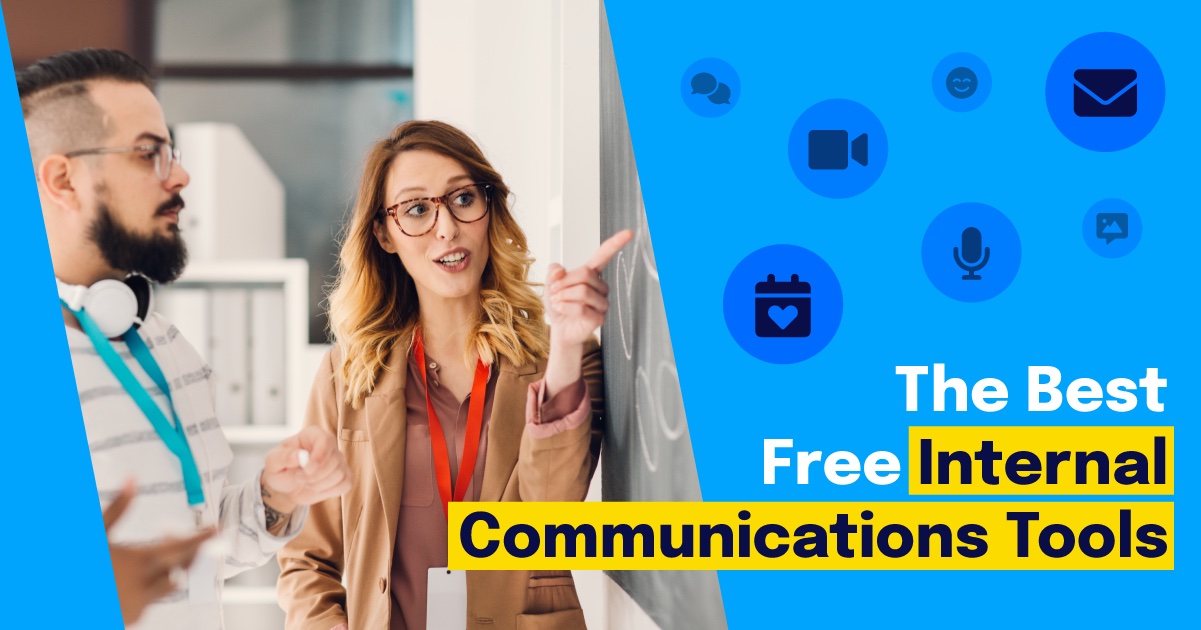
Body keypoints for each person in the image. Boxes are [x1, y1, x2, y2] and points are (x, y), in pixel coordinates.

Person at [19, 48, 353, 629]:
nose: (179, 175)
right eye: (149, 153)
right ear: (63, 179)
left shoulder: (168, 348)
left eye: (170, 152)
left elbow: (197, 552)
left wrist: (274, 498)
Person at [277, 120, 631, 630]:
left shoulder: (560, 358)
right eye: (417, 209)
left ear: (489, 210)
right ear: (384, 234)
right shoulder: (345, 374)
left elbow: (550, 514)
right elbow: (307, 559)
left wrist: (569, 346)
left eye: (463, 199)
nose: (447, 229)